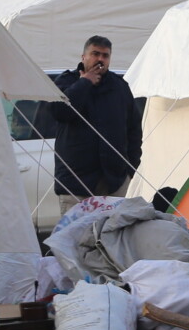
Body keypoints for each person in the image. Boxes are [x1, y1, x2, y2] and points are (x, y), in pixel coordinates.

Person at [51, 36, 143, 205]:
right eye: (95, 54)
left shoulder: (120, 87)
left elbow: (134, 129)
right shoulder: (66, 82)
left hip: (113, 182)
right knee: (76, 231)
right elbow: (60, 112)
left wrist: (130, 168)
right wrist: (85, 82)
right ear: (83, 57)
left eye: (105, 56)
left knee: (112, 230)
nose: (100, 59)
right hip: (76, 182)